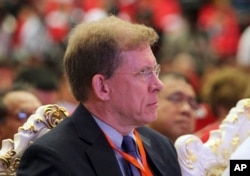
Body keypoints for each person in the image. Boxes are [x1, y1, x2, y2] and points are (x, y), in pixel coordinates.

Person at [17, 15, 182, 176]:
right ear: (102, 87)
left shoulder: (162, 146)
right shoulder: (52, 159)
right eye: (144, 73)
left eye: (155, 71)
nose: (159, 85)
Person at [148, 72, 198, 142]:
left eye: (192, 103)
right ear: (149, 101)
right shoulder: (130, 148)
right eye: (176, 99)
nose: (186, 109)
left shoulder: (203, 151)